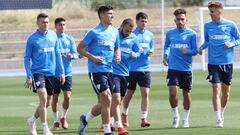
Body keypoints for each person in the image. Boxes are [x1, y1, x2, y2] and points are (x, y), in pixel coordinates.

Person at [77, 5, 121, 135]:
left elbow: (117, 47)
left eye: (112, 13)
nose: (112, 16)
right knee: (107, 98)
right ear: (102, 15)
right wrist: (93, 57)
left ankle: (85, 119)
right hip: (96, 70)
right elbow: (79, 48)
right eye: (110, 14)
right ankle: (107, 131)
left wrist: (117, 55)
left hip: (110, 70)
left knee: (105, 102)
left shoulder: (114, 32)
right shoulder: (93, 32)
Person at [198, 1, 240, 128]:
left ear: (219, 11)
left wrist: (231, 44)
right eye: (209, 11)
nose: (210, 13)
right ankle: (218, 119)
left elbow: (238, 39)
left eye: (212, 11)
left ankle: (221, 112)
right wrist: (202, 47)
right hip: (213, 63)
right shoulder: (207, 26)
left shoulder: (230, 25)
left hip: (227, 63)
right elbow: (207, 41)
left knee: (226, 93)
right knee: (216, 89)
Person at [24, 13, 65, 135]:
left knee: (46, 102)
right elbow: (27, 58)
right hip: (38, 73)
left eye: (47, 22)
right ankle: (45, 129)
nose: (45, 24)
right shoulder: (32, 38)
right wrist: (28, 75)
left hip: (51, 74)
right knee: (43, 97)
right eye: (43, 22)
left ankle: (31, 120)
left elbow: (58, 54)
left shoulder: (53, 35)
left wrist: (61, 71)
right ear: (37, 23)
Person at [163, 8, 198, 128]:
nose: (180, 21)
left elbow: (195, 51)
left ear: (186, 20)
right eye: (178, 19)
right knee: (172, 93)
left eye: (182, 19)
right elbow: (166, 46)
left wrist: (187, 51)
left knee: (186, 93)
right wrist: (165, 55)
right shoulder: (170, 33)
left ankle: (185, 119)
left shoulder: (192, 34)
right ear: (175, 20)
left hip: (186, 69)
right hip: (173, 68)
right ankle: (176, 116)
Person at [122, 12, 154, 128]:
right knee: (129, 94)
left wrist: (151, 51)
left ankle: (144, 118)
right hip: (132, 69)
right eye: (141, 21)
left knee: (145, 93)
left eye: (145, 21)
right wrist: (132, 54)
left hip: (145, 68)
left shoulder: (150, 35)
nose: (144, 23)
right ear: (136, 22)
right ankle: (124, 114)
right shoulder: (132, 34)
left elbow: (152, 46)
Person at [51, 17, 78, 130]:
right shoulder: (52, 39)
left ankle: (63, 117)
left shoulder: (69, 39)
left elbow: (76, 54)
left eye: (63, 25)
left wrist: (71, 56)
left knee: (67, 97)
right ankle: (56, 121)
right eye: (60, 25)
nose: (62, 27)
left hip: (67, 73)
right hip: (54, 74)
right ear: (55, 26)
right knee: (55, 97)